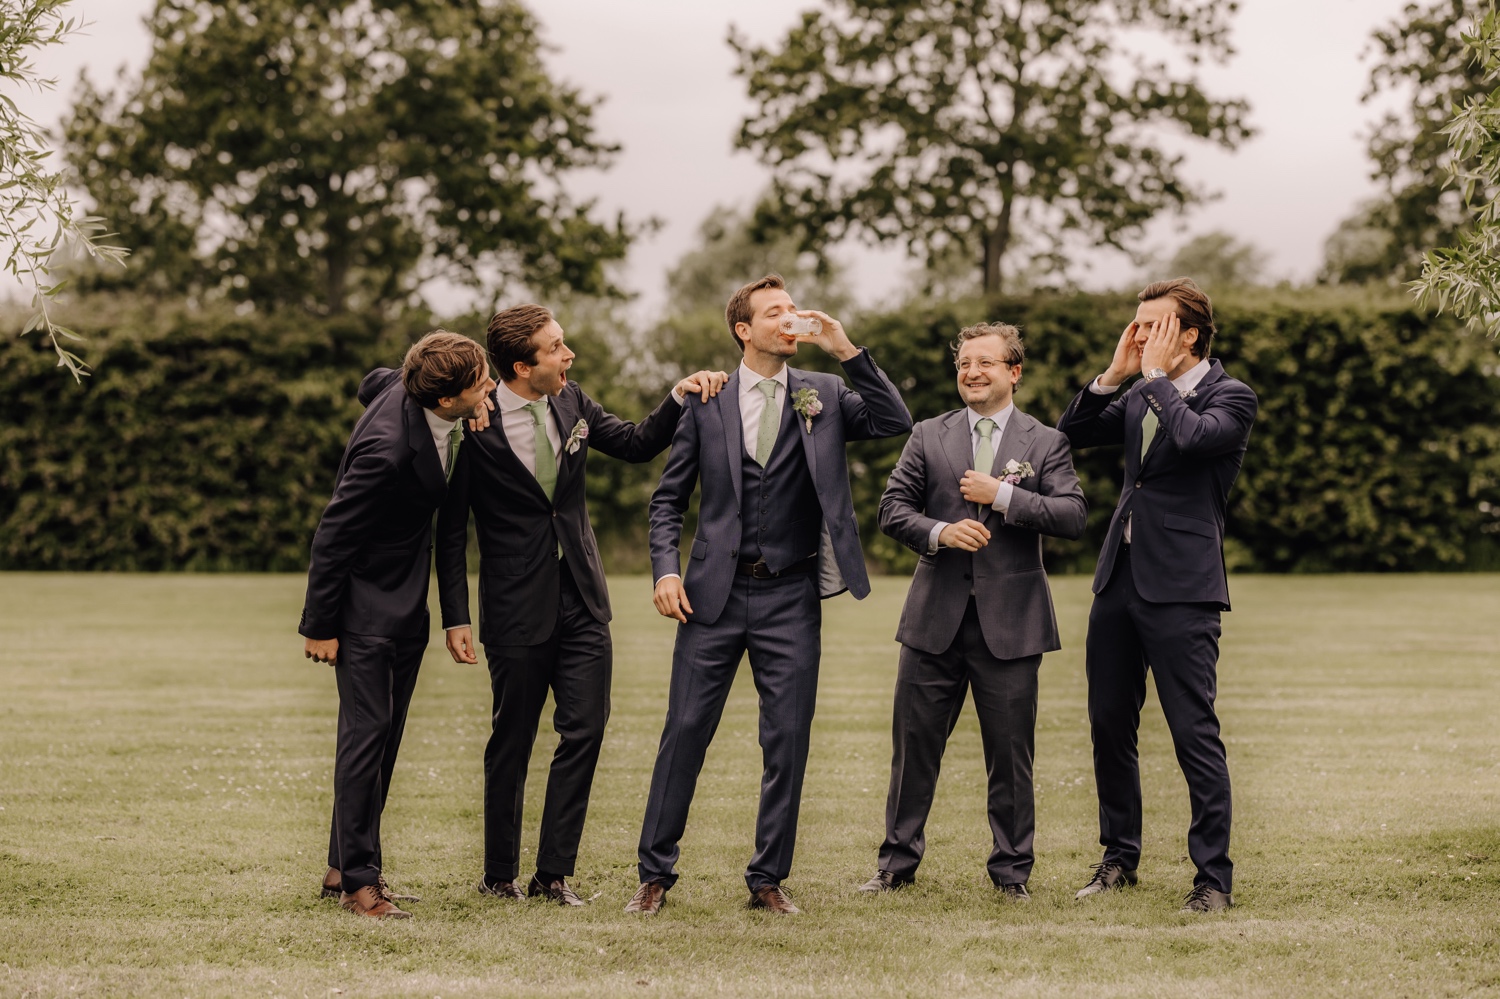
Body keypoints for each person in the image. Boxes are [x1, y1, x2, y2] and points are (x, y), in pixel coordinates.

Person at [627, 273, 912, 916]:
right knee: (685, 733)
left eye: (794, 310)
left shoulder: (828, 393)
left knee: (787, 738)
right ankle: (654, 876)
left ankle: (767, 881)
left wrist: (845, 347)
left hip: (791, 596)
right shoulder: (707, 400)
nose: (790, 319)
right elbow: (667, 501)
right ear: (743, 329)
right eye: (775, 312)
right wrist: (665, 572)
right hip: (710, 596)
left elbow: (896, 419)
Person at [434, 304, 728, 906]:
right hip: (515, 606)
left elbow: (638, 442)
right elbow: (451, 531)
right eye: (556, 348)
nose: (569, 356)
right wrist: (458, 615)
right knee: (511, 739)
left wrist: (677, 395)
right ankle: (498, 875)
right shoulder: (474, 427)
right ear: (523, 365)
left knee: (586, 730)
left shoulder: (573, 402)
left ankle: (553, 875)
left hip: (585, 600)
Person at [863, 322, 1086, 899]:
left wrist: (1005, 496)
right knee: (913, 750)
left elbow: (1071, 516)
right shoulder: (927, 435)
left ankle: (1012, 875)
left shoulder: (1045, 442)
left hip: (1012, 626)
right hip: (932, 620)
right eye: (964, 363)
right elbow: (892, 509)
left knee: (1011, 758)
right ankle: (895, 865)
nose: (972, 372)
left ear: (1013, 371)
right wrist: (938, 530)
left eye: (985, 362)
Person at [1055, 277, 1258, 913]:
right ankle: (1119, 857)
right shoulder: (1141, 390)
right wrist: (1116, 374)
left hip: (1184, 587)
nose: (1141, 335)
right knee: (1108, 722)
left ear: (1190, 334)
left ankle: (1213, 879)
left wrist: (1154, 380)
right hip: (1119, 579)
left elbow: (1196, 440)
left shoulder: (1233, 396)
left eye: (1155, 325)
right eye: (1136, 324)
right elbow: (1073, 431)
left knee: (1193, 730)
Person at [300, 330, 494, 920]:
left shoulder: (401, 385)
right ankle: (362, 884)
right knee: (365, 743)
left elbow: (374, 379)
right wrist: (320, 625)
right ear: (444, 401)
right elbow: (332, 536)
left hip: (406, 606)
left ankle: (341, 866)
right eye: (481, 383)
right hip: (365, 613)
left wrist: (472, 414)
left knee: (381, 741)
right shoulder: (387, 449)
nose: (490, 388)